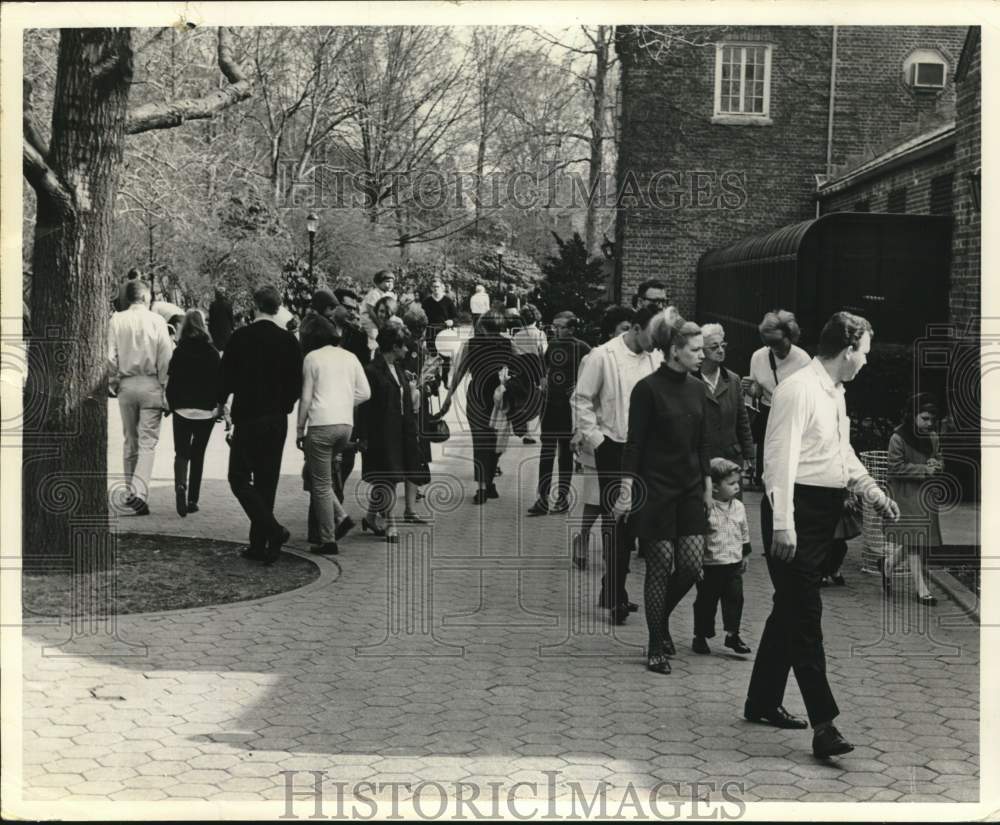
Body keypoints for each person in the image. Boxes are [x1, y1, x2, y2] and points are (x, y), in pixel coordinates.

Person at [746, 311, 900, 760]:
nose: (866, 361)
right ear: (848, 350)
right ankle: (824, 725)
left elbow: (839, 451)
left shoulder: (834, 391)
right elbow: (778, 460)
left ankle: (761, 701)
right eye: (864, 352)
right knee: (805, 614)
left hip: (821, 512)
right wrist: (783, 523)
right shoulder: (797, 389)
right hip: (794, 510)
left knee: (789, 609)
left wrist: (871, 490)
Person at [617, 314, 711, 671]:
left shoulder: (698, 389)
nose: (702, 355)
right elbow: (634, 444)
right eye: (695, 350)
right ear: (674, 351)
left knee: (690, 565)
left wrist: (707, 486)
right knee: (659, 566)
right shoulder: (647, 389)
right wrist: (626, 490)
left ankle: (661, 617)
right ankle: (656, 643)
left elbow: (703, 442)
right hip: (655, 489)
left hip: (689, 488)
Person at [571, 304, 665, 624]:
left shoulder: (655, 358)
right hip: (614, 446)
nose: (656, 341)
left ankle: (611, 588)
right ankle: (616, 596)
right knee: (617, 521)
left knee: (634, 523)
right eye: (653, 334)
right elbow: (581, 399)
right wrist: (597, 439)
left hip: (647, 448)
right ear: (636, 328)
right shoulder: (602, 356)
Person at [219, 285, 303, 565]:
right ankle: (262, 543)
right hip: (276, 418)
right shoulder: (288, 341)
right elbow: (296, 383)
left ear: (255, 306)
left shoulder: (240, 337)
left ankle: (272, 532)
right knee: (267, 480)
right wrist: (285, 405)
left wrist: (222, 403)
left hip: (248, 415)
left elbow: (226, 376)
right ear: (278, 308)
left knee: (239, 477)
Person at [297, 309, 371, 555]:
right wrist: (344, 403)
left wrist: (299, 429)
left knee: (319, 484)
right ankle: (341, 516)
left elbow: (306, 398)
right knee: (317, 476)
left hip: (321, 425)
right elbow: (365, 393)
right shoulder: (350, 357)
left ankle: (328, 539)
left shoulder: (312, 358)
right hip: (345, 426)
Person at [571, 306, 635, 570]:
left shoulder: (635, 359)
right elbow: (581, 398)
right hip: (598, 437)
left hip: (622, 438)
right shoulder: (595, 357)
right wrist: (583, 432)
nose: (628, 334)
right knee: (596, 498)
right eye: (624, 329)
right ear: (611, 331)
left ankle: (615, 547)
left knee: (620, 495)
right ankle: (583, 537)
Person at [440, 310, 520, 504]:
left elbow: (459, 372)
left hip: (479, 396)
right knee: (495, 442)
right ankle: (486, 484)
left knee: (482, 442)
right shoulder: (508, 344)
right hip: (499, 398)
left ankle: (485, 486)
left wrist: (448, 398)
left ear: (483, 325)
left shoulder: (471, 344)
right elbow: (522, 368)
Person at [108, 280, 174, 515]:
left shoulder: (116, 320)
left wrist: (114, 381)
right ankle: (139, 492)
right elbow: (165, 358)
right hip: (151, 383)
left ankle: (129, 491)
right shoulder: (157, 321)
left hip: (126, 384)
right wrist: (165, 387)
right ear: (146, 298)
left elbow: (110, 356)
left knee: (130, 440)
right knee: (147, 442)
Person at [357, 325, 423, 541]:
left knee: (387, 478)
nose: (407, 350)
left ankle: (370, 517)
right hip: (381, 432)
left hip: (400, 431)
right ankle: (391, 524)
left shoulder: (398, 369)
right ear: (394, 347)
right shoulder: (372, 371)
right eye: (404, 346)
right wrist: (363, 436)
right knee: (387, 477)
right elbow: (364, 406)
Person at [882, 394, 944, 605]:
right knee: (914, 540)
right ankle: (922, 590)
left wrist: (937, 465)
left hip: (925, 495)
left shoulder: (933, 437)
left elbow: (939, 458)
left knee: (917, 539)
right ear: (913, 416)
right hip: (904, 495)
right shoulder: (898, 438)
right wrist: (924, 469)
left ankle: (888, 564)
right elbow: (895, 468)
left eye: (932, 419)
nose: (929, 423)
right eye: (924, 418)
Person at [528, 311, 590, 516]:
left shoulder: (583, 348)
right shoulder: (553, 345)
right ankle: (542, 498)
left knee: (565, 453)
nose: (556, 331)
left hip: (568, 407)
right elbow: (545, 367)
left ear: (572, 329)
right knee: (546, 452)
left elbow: (592, 374)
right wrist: (542, 379)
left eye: (560, 327)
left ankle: (562, 498)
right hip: (550, 404)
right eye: (554, 327)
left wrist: (579, 385)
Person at [692, 458, 753, 656]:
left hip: (733, 564)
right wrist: (697, 563)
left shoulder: (739, 507)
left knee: (735, 598)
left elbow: (744, 531)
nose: (737, 486)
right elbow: (700, 537)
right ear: (715, 487)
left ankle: (732, 634)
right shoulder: (706, 508)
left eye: (738, 482)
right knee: (706, 602)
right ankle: (701, 636)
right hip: (711, 565)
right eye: (731, 483)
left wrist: (745, 554)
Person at [743, 310, 811, 485]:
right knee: (768, 469)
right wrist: (752, 390)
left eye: (779, 343)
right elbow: (758, 391)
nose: (776, 349)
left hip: (793, 416)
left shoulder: (802, 359)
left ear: (790, 336)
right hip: (768, 414)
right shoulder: (758, 357)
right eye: (770, 344)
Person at [165, 310, 222, 517]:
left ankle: (181, 484)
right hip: (205, 412)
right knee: (198, 455)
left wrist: (171, 405)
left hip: (182, 409)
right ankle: (193, 499)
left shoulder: (179, 351)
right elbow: (219, 383)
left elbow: (171, 381)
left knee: (181, 452)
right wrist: (219, 407)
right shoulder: (212, 352)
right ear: (203, 325)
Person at [696, 324, 754, 484]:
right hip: (701, 460)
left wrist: (749, 455)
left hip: (730, 460)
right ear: (701, 350)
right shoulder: (690, 380)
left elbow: (743, 421)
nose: (721, 350)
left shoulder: (733, 380)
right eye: (714, 347)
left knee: (731, 499)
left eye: (723, 345)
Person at [511, 304, 547, 445]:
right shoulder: (539, 334)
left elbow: (514, 354)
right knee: (539, 399)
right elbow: (542, 353)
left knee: (523, 399)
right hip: (536, 369)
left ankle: (526, 431)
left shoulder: (517, 335)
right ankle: (541, 429)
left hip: (521, 370)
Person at [434, 311, 474, 391]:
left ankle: (444, 380)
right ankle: (435, 381)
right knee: (434, 360)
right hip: (436, 333)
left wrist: (452, 321)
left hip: (446, 335)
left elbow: (455, 316)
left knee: (446, 361)